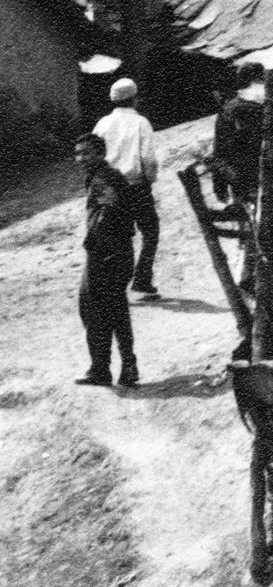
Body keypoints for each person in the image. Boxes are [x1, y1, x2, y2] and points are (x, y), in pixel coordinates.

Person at [75, 133, 138, 388]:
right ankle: (126, 366)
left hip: (106, 254)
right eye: (78, 153)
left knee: (94, 310)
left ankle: (103, 369)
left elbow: (109, 211)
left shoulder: (103, 179)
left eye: (86, 153)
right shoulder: (105, 176)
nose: (80, 158)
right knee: (115, 310)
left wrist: (100, 245)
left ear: (100, 154)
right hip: (115, 251)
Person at [93, 76, 160, 298]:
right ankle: (142, 278)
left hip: (110, 188)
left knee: (118, 236)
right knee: (150, 232)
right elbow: (148, 159)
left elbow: (93, 156)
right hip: (135, 186)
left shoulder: (102, 124)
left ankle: (115, 285)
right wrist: (149, 180)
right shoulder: (141, 123)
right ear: (135, 99)